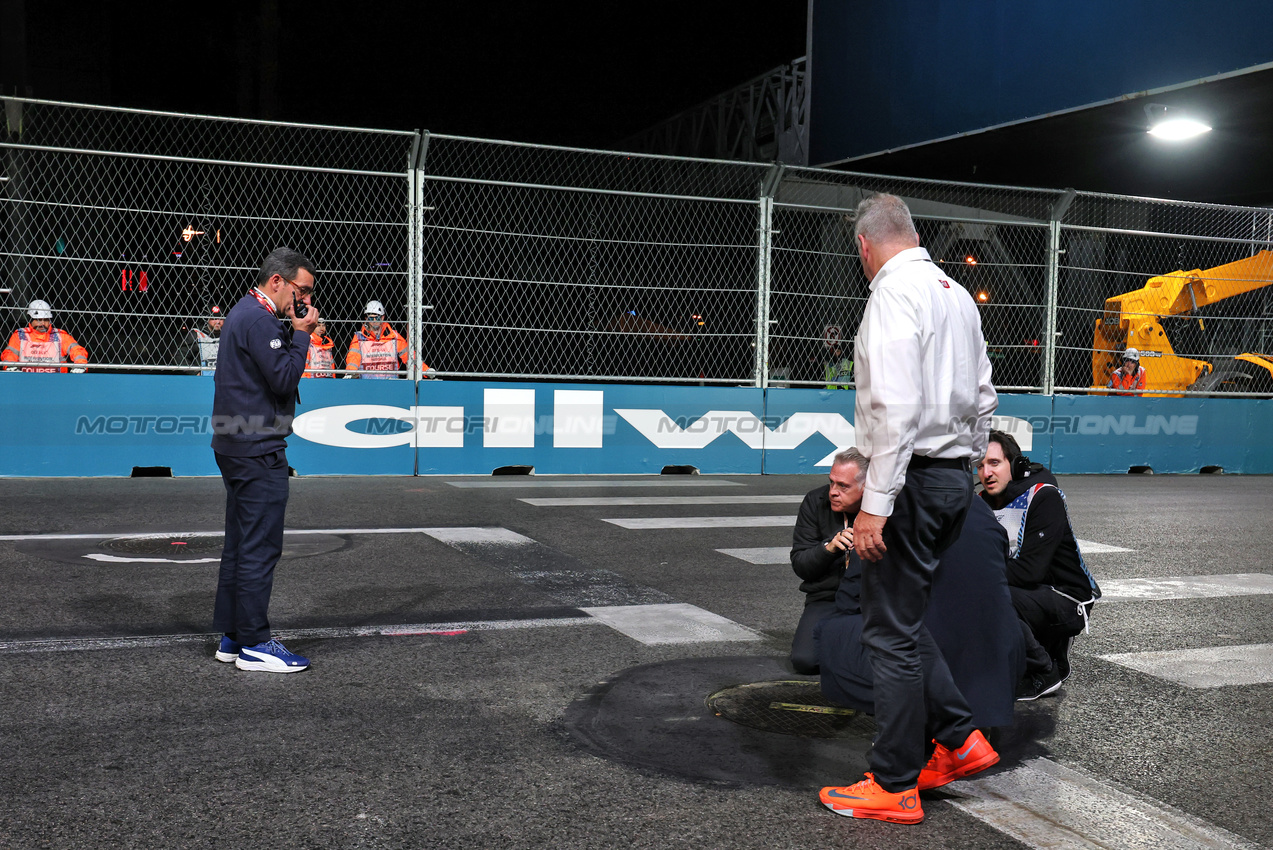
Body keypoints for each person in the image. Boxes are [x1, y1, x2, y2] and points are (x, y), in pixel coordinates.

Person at [819, 194, 999, 825]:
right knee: (902, 617)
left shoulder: (892, 293)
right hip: (949, 476)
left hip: (911, 480)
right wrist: (970, 463)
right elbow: (984, 393)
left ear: (864, 246)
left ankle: (893, 782)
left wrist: (874, 505)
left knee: (888, 633)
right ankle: (958, 739)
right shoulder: (953, 291)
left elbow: (893, 411)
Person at [815, 496, 1024, 730]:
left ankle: (915, 726)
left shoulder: (887, 510)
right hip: (995, 666)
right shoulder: (978, 507)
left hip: (934, 659)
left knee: (832, 630)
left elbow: (850, 599)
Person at [210, 246, 319, 674]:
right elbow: (284, 377)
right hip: (257, 447)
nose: (305, 300)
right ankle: (255, 642)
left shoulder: (245, 312)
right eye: (302, 290)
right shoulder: (258, 317)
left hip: (235, 442)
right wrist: (304, 334)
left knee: (239, 543)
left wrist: (291, 331)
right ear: (279, 281)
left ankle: (234, 636)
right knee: (259, 546)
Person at [978, 430, 1101, 700]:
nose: (986, 473)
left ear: (1017, 465)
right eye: (980, 465)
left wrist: (976, 576)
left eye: (994, 463)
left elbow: (1030, 570)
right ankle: (1046, 651)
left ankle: (1043, 672)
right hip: (1029, 594)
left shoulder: (1044, 497)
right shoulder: (981, 503)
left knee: (986, 593)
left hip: (1068, 598)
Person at [789, 448, 866, 674]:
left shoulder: (885, 509)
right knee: (805, 661)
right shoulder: (815, 500)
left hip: (873, 599)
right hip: (827, 596)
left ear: (866, 487)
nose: (833, 491)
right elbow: (801, 564)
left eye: (843, 486)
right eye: (832, 482)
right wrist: (829, 548)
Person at [2, 300, 88, 373]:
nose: (42, 323)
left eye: (46, 320)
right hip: (25, 381)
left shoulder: (60, 335)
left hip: (57, 381)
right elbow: (9, 354)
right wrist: (10, 365)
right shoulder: (20, 335)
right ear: (30, 319)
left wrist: (80, 365)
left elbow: (77, 350)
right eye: (38, 320)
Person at [344, 300, 409, 378]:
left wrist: (425, 371)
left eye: (377, 318)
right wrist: (350, 373)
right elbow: (353, 358)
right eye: (371, 318)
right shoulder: (359, 337)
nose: (374, 321)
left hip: (391, 383)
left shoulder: (394, 336)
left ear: (382, 317)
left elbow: (409, 356)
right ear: (366, 318)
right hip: (367, 384)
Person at [182, 305, 223, 375]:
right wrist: (194, 372)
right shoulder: (198, 334)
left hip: (225, 378)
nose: (217, 322)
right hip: (204, 378)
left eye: (220, 318)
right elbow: (180, 355)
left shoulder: (229, 334)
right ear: (208, 319)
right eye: (214, 318)